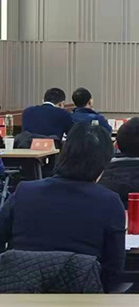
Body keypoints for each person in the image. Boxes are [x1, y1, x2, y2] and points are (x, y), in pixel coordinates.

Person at [0, 124, 124, 291]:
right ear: (104, 163)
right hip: (84, 297)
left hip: (20, 295)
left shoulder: (24, 192)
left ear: (64, 153)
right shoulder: (109, 202)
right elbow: (114, 269)